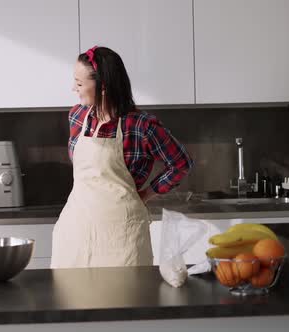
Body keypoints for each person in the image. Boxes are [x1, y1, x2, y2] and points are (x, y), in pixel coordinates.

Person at [51, 46, 194, 269]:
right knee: (72, 300)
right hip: (75, 235)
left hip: (122, 240)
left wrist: (146, 194)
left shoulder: (141, 126)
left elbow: (180, 164)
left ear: (103, 87)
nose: (73, 88)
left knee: (124, 299)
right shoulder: (77, 116)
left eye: (79, 84)